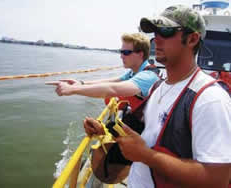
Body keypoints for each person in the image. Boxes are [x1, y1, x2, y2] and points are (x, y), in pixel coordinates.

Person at [84, 5, 231, 187]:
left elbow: (217, 180)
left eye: (166, 31)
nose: (156, 39)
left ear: (192, 39)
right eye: (154, 32)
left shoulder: (210, 99)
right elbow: (149, 136)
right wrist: (107, 132)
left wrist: (147, 156)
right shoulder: (158, 87)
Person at [46, 33, 159, 101]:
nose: (121, 56)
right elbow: (111, 81)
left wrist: (72, 89)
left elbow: (112, 89)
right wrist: (81, 83)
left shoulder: (147, 76)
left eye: (126, 52)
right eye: (121, 51)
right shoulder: (133, 72)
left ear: (140, 54)